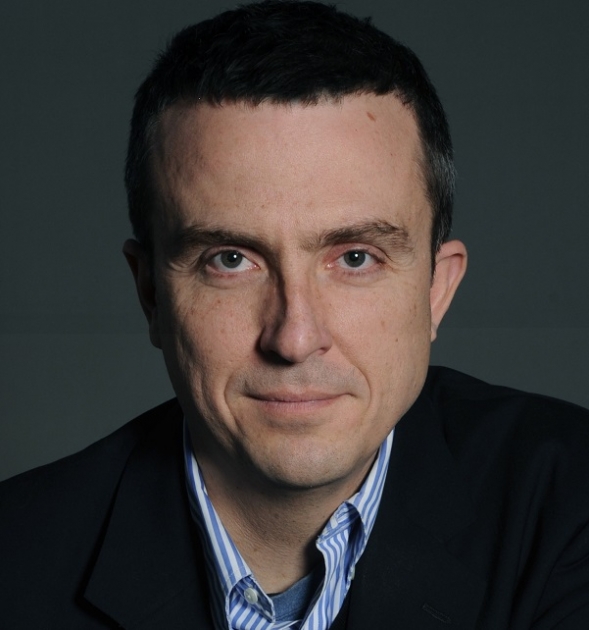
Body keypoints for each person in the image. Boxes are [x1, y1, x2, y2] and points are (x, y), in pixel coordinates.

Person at [1, 1, 588, 628]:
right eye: (230, 260)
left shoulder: (570, 507)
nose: (295, 337)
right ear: (151, 294)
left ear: (435, 291)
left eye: (356, 257)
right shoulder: (17, 561)